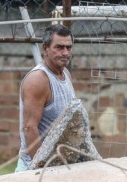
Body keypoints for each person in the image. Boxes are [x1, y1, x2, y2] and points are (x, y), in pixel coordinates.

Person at [16, 24, 76, 172]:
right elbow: (30, 128)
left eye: (69, 48)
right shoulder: (38, 79)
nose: (65, 53)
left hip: (59, 165)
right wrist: (43, 169)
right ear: (45, 48)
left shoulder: (66, 74)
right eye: (59, 47)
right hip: (36, 168)